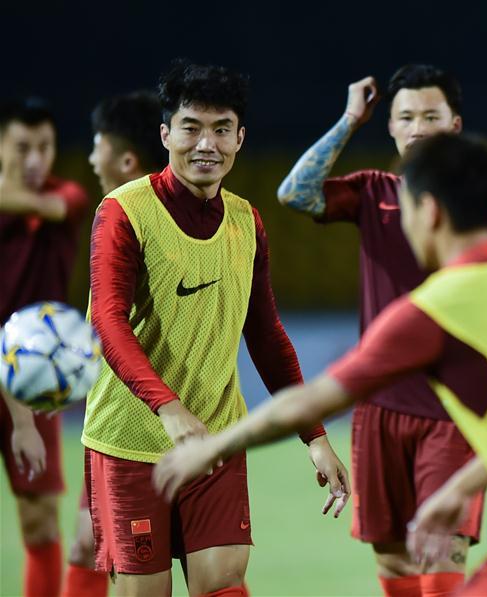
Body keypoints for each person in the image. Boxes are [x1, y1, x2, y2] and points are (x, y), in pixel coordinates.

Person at [154, 133, 487, 596]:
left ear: (428, 210)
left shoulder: (437, 309)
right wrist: (458, 490)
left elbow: (315, 398)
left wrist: (216, 445)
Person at [80, 61, 348, 597]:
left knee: (224, 585)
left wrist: (314, 435)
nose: (207, 144)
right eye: (191, 128)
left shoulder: (247, 222)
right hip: (129, 443)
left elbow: (267, 336)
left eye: (222, 129)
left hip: (217, 439)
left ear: (240, 138)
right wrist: (167, 406)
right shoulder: (124, 211)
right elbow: (108, 322)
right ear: (166, 134)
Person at [276, 64, 487, 596]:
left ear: (454, 125)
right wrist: (349, 120)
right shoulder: (373, 192)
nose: (418, 128)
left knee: (439, 556)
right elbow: (293, 194)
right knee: (393, 566)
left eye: (430, 116)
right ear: (389, 127)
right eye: (406, 117)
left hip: (455, 412)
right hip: (379, 413)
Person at [60, 90, 170, 597]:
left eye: (97, 144)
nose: (89, 156)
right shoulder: (117, 218)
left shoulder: (139, 219)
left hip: (134, 431)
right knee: (87, 546)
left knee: (204, 569)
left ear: (125, 158)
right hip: (117, 422)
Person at [0, 97, 89, 597]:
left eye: (45, 147)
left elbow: (48, 205)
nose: (35, 160)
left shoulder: (68, 197)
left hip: (33, 380)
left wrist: (20, 420)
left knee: (39, 522)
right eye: (21, 147)